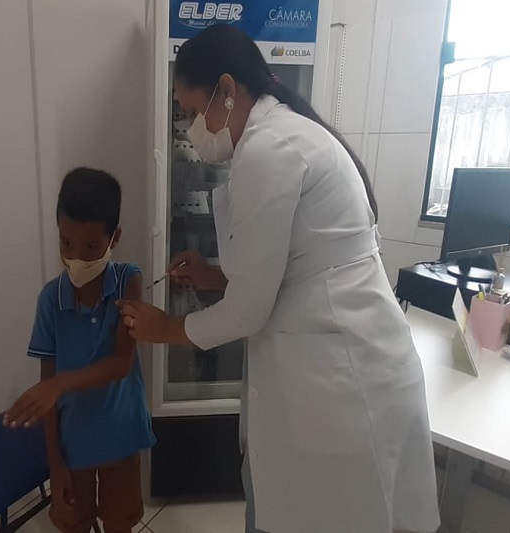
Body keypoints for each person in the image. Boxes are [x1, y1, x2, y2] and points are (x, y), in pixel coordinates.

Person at [117, 25, 441, 533]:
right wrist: (214, 276)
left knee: (325, 514)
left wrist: (166, 329)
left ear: (227, 90)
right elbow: (292, 269)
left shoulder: (269, 148)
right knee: (286, 503)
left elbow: (250, 309)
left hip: (342, 382)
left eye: (192, 110)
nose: (191, 128)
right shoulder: (284, 134)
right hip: (338, 365)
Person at [3, 168, 155, 533]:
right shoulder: (50, 301)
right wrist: (55, 465)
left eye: (90, 247)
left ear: (115, 238)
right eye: (66, 243)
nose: (75, 258)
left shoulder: (128, 280)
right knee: (74, 523)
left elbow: (121, 363)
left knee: (120, 522)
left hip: (121, 437)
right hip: (73, 446)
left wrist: (57, 386)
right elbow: (47, 392)